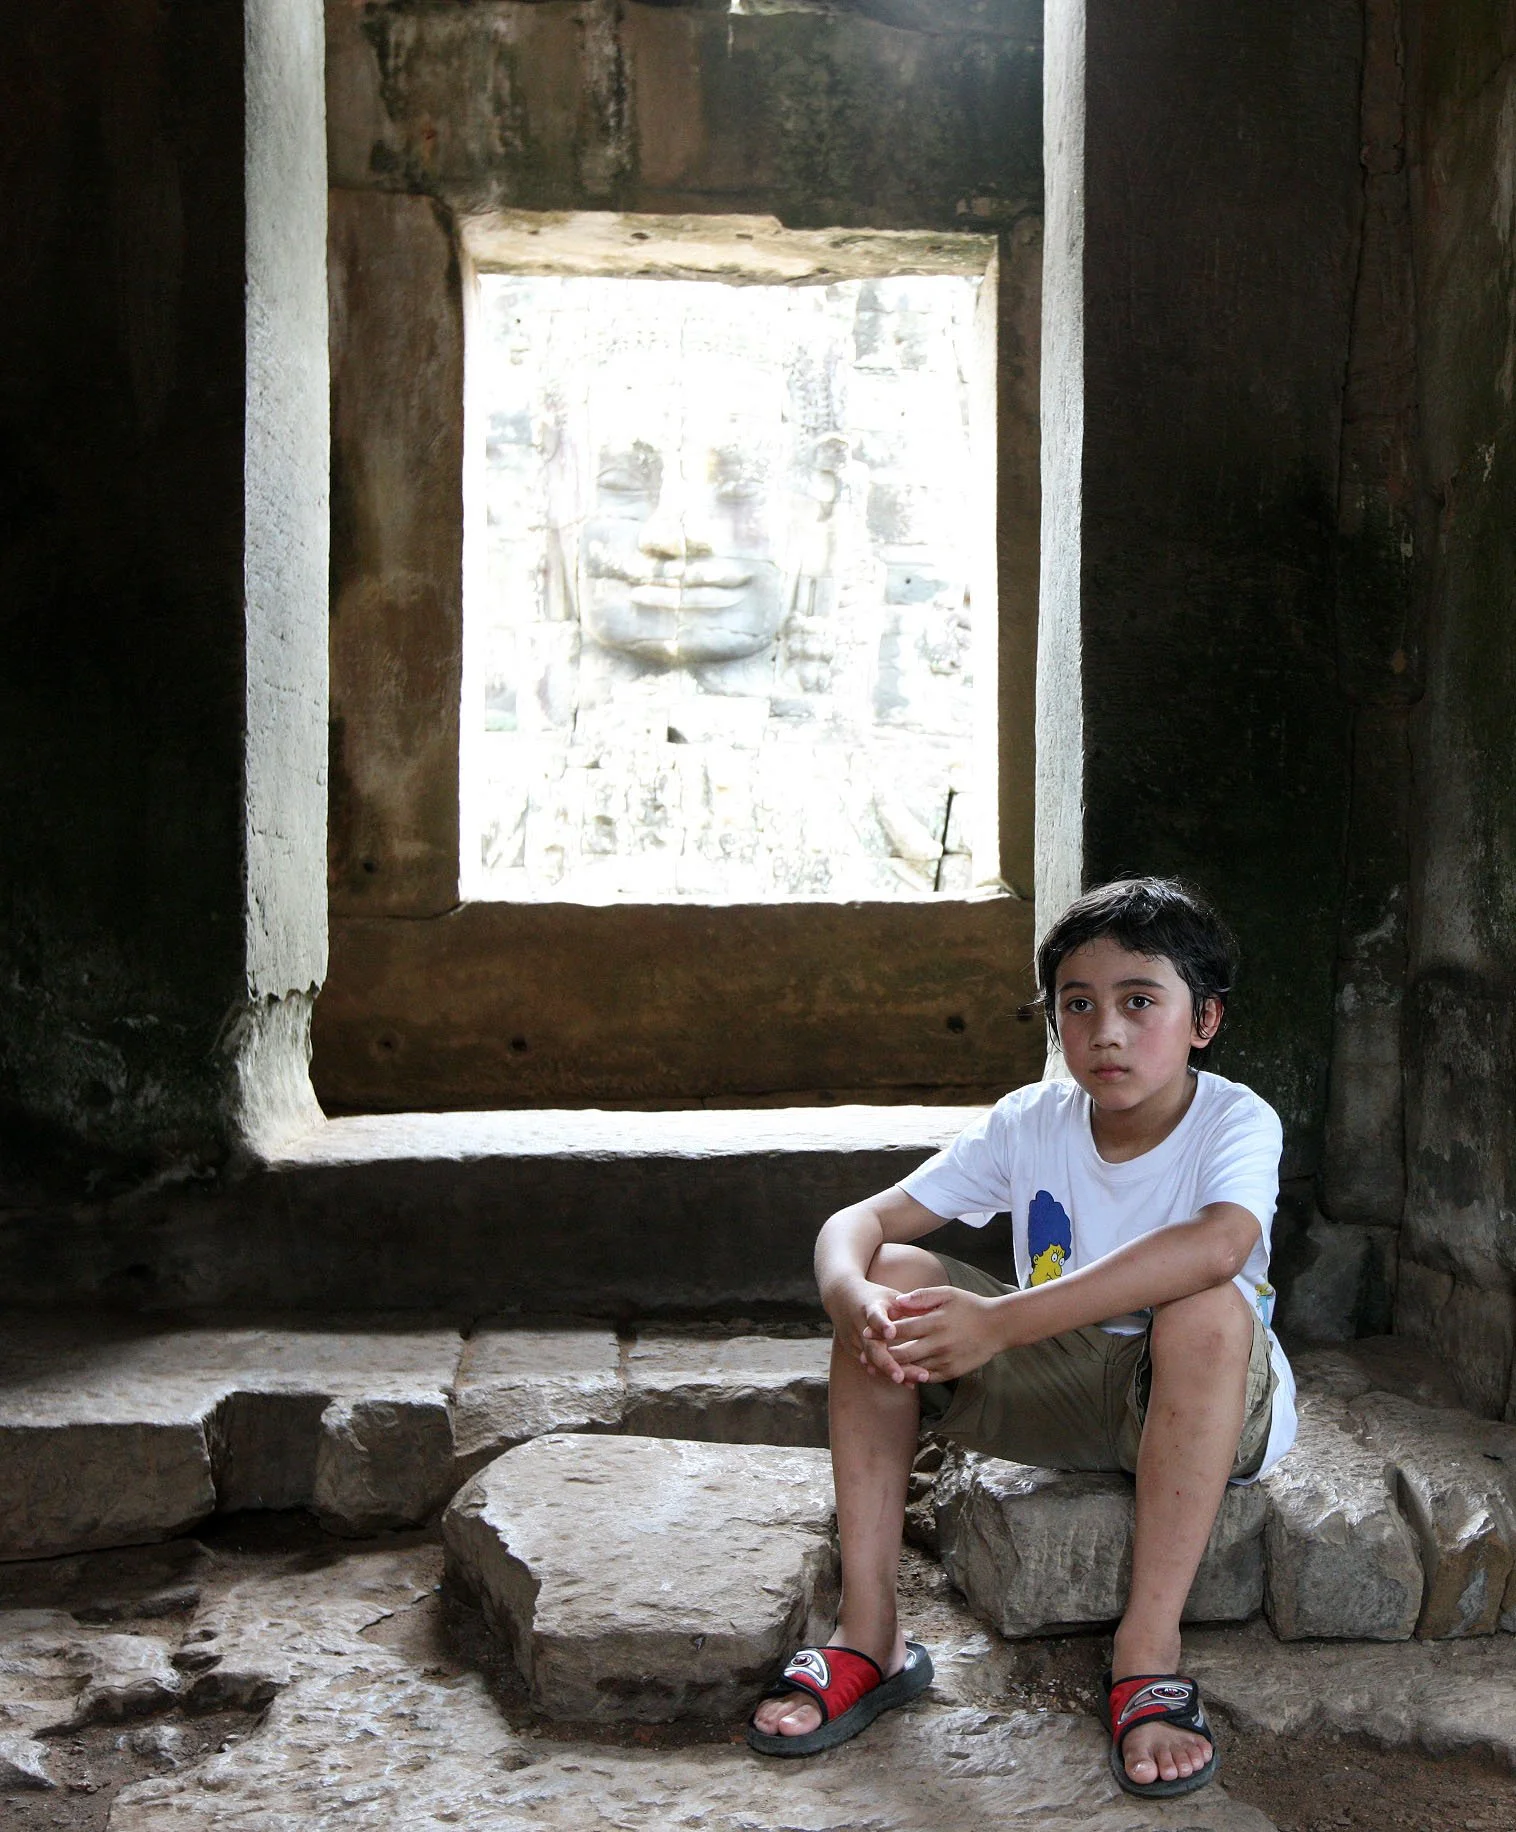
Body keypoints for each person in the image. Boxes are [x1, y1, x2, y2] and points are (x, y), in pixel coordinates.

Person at [746, 877, 1296, 1800]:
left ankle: (1144, 1655)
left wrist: (997, 1321)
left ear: (1204, 1020)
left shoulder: (1234, 1121)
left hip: (1198, 1398)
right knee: (895, 1283)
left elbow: (1221, 1244)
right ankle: (870, 1634)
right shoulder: (1030, 1121)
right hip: (1056, 1389)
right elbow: (861, 1220)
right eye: (1077, 1005)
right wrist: (849, 1296)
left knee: (1208, 1303)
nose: (1106, 1031)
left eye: (1139, 1003)